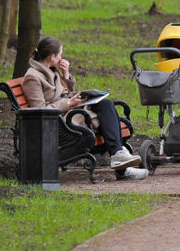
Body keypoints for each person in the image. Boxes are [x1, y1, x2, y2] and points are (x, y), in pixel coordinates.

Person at [22, 36, 147, 180]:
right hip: (58, 122)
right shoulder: (32, 77)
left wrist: (67, 75)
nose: (62, 57)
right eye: (60, 54)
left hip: (69, 111)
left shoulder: (51, 69)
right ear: (52, 57)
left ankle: (119, 154)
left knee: (106, 104)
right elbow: (39, 110)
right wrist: (68, 104)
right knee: (104, 118)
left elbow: (64, 93)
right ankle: (122, 163)